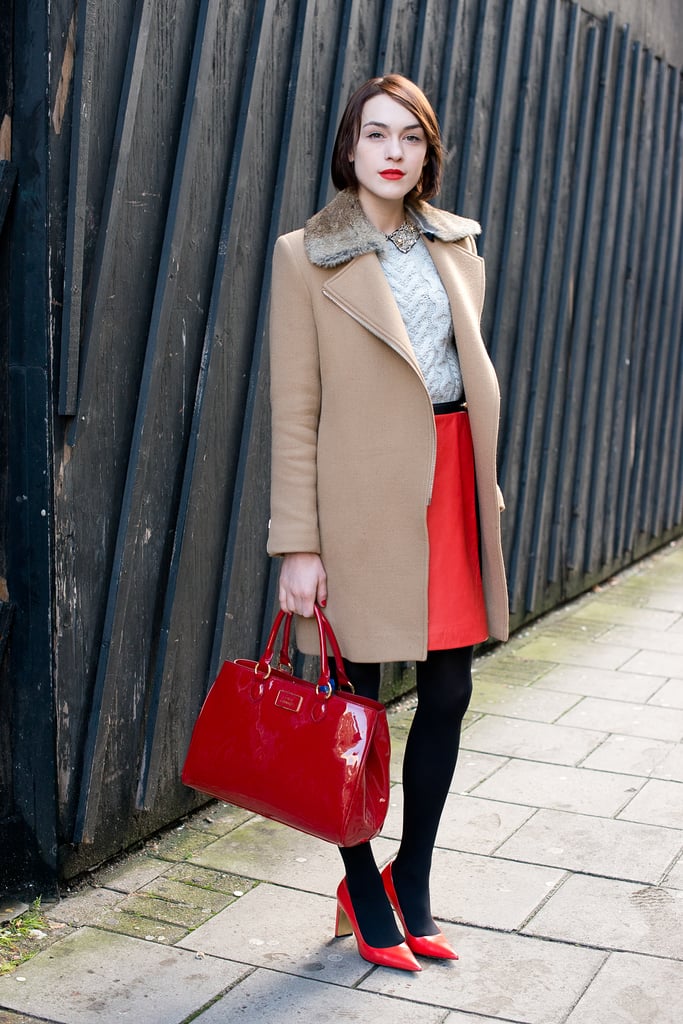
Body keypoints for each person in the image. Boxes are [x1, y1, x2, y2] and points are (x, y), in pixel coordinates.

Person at [267, 74, 509, 972]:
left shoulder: (456, 246)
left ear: (427, 152)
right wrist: (298, 543)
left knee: (448, 689)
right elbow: (293, 409)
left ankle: (415, 881)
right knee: (352, 706)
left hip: (448, 484)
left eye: (410, 136)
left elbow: (463, 369)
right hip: (358, 500)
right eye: (376, 135)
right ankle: (361, 885)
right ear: (350, 147)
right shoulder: (307, 255)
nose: (394, 151)